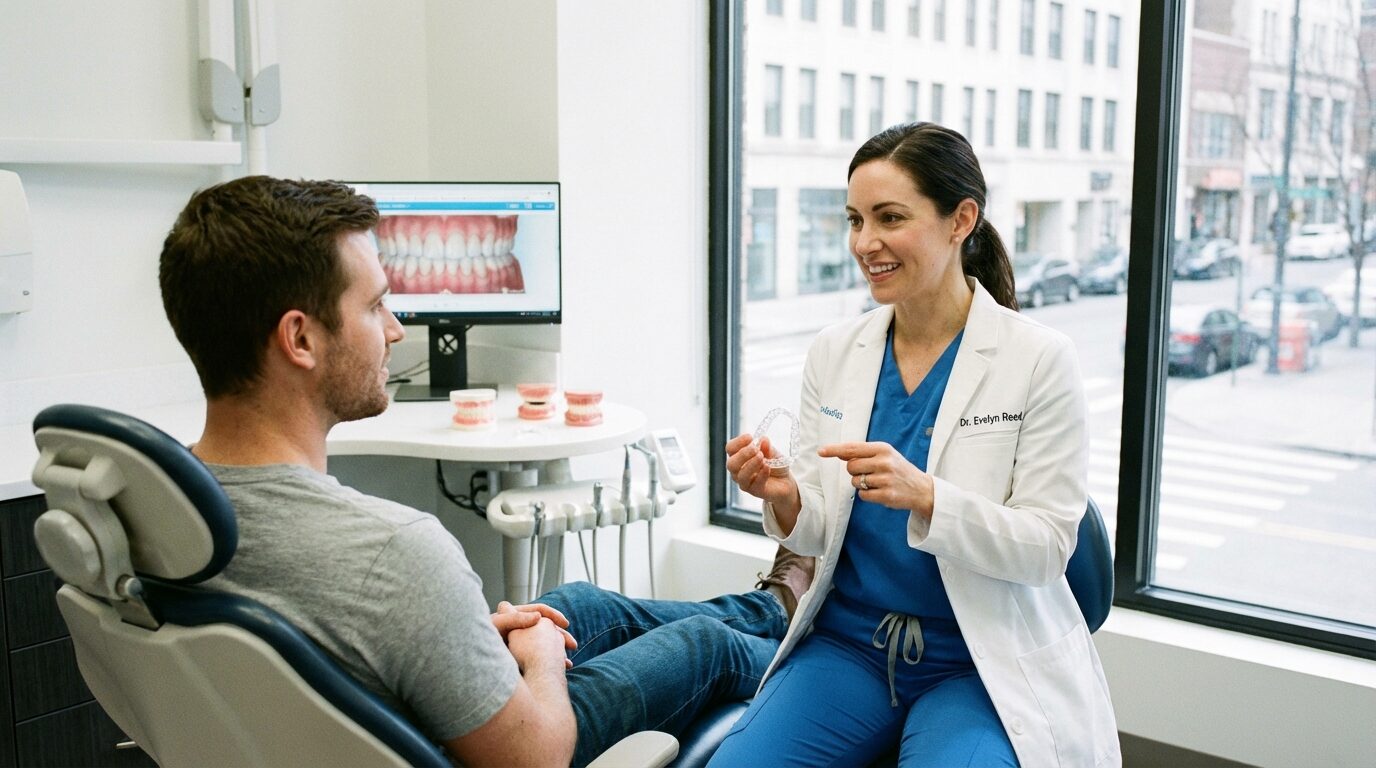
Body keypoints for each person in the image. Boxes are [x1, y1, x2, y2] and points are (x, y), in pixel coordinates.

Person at [157, 175, 812, 767]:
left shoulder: (164, 510)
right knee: (703, 646)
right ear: (300, 339)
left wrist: (452, 634)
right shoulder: (397, 553)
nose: (393, 329)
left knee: (579, 604)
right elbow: (536, 758)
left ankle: (774, 605)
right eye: (375, 306)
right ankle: (848, 658)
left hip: (373, 709)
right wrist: (539, 663)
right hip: (496, 745)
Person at [713, 123, 1120, 767]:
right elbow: (820, 531)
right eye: (854, 219)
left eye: (890, 218)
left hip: (976, 661)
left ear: (961, 220)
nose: (864, 243)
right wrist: (786, 496)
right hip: (848, 646)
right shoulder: (836, 351)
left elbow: (1046, 549)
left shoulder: (1039, 359)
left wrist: (927, 496)